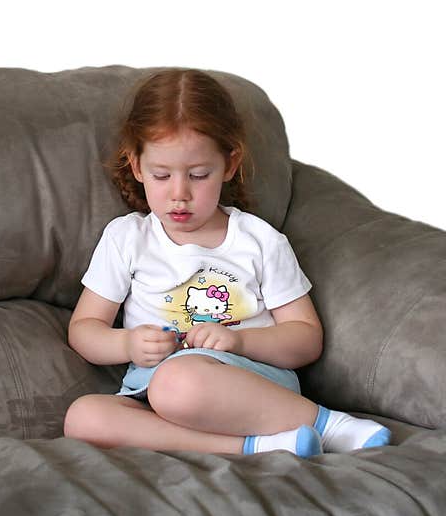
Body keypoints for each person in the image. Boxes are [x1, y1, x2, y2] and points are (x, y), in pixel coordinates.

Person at [63, 68, 391, 457]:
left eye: (199, 175)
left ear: (229, 165)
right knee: (83, 418)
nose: (179, 195)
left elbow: (305, 337)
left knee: (178, 384)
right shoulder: (126, 239)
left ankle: (326, 422)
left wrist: (239, 339)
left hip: (246, 386)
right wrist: (127, 343)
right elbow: (84, 330)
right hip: (152, 391)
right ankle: (254, 447)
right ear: (136, 167)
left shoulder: (258, 240)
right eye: (161, 175)